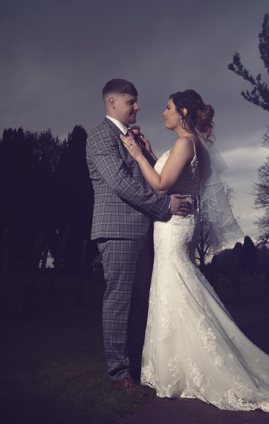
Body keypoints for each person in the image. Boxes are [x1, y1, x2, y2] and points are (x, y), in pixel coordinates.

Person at [120, 89, 269, 413]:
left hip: (173, 226)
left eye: (168, 108)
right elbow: (172, 177)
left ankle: (192, 367)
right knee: (177, 287)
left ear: (182, 110)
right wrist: (151, 152)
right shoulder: (193, 144)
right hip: (178, 222)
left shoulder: (185, 143)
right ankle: (178, 366)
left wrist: (137, 155)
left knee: (176, 286)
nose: (163, 113)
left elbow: (162, 185)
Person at [86, 79, 192, 398]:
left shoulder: (134, 137)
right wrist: (164, 206)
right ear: (113, 103)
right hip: (117, 230)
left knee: (140, 303)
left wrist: (146, 151)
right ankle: (118, 375)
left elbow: (152, 179)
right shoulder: (100, 136)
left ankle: (136, 369)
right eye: (131, 101)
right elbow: (119, 183)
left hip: (145, 231)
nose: (138, 106)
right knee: (119, 302)